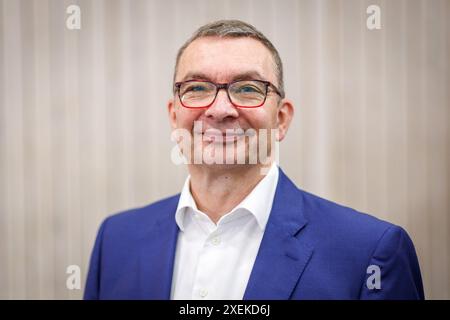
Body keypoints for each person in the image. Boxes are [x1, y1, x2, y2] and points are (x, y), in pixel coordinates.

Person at [84, 20, 424, 300]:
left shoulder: (370, 252)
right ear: (174, 116)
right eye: (197, 88)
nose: (219, 109)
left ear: (281, 118)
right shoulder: (116, 241)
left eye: (247, 89)